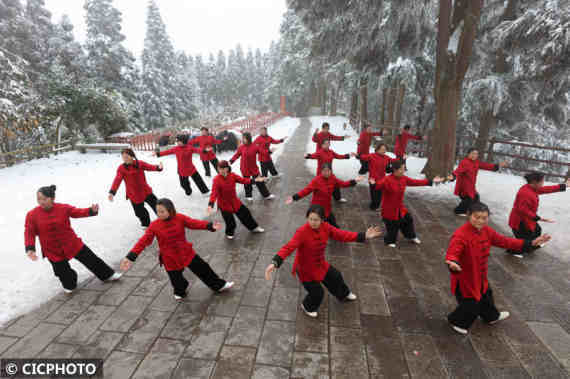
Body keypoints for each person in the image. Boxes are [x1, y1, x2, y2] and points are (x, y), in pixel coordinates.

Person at [445, 202, 551, 334]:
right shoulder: (461, 235)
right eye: (476, 217)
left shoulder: (486, 231)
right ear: (468, 215)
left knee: (486, 296)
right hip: (465, 278)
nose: (480, 221)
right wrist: (453, 262)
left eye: (484, 218)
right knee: (471, 305)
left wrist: (531, 242)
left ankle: (491, 317)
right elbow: (453, 253)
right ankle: (456, 321)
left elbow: (505, 241)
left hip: (480, 276)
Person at [264, 204, 382, 318]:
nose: (313, 222)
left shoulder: (326, 227)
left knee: (336, 276)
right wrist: (275, 262)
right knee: (318, 293)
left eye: (316, 220)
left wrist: (363, 236)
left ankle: (343, 294)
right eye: (310, 219)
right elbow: (288, 247)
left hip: (320, 264)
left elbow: (341, 235)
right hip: (306, 269)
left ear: (322, 220)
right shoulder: (302, 232)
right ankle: (307, 306)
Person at [120, 198, 233, 300]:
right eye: (157, 211)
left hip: (185, 252)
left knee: (203, 268)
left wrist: (209, 226)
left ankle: (219, 285)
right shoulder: (154, 226)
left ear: (170, 210)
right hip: (170, 258)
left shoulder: (179, 218)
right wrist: (130, 257)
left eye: (162, 211)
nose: (159, 214)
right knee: (177, 281)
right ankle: (180, 289)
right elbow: (143, 241)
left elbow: (193, 223)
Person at [25, 185, 122, 294]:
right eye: (39, 199)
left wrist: (91, 211)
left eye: (44, 199)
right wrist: (30, 248)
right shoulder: (32, 215)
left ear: (52, 198)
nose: (41, 202)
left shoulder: (63, 208)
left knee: (91, 259)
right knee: (67, 282)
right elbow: (29, 232)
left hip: (72, 243)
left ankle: (108, 275)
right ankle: (71, 278)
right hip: (52, 250)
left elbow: (77, 212)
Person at [370, 161, 445, 247]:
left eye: (404, 168)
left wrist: (431, 181)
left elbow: (415, 182)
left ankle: (410, 236)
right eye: (401, 169)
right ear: (395, 170)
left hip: (399, 208)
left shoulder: (403, 178)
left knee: (408, 219)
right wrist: (373, 184)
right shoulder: (387, 179)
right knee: (393, 226)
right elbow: (378, 186)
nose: (403, 170)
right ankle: (389, 241)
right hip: (389, 209)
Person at [506, 172, 568, 257]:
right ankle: (514, 251)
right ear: (535, 182)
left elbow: (546, 189)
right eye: (542, 182)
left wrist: (563, 186)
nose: (543, 183)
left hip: (527, 219)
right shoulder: (525, 193)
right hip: (519, 221)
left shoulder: (531, 188)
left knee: (536, 231)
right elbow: (522, 209)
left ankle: (528, 247)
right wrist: (537, 218)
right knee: (524, 239)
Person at [285, 163, 365, 228]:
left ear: (331, 171)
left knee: (332, 222)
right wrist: (294, 197)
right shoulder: (316, 181)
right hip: (317, 207)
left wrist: (354, 181)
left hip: (327, 206)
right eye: (324, 171)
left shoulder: (333, 178)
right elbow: (306, 190)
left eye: (328, 171)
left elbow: (342, 184)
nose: (326, 173)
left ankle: (334, 231)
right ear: (321, 171)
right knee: (319, 223)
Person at [207, 160, 265, 239]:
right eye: (220, 169)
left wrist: (255, 180)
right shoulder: (216, 180)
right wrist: (211, 204)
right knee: (230, 221)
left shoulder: (232, 176)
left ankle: (254, 228)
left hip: (235, 201)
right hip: (224, 204)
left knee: (246, 214)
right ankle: (229, 233)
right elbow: (214, 193)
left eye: (223, 168)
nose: (221, 170)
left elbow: (243, 180)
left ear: (227, 168)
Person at [109, 148, 163, 228]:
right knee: (139, 212)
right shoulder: (121, 168)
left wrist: (158, 167)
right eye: (123, 157)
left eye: (126, 157)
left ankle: (164, 219)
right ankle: (146, 225)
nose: (125, 159)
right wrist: (112, 192)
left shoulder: (139, 163)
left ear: (132, 156)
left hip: (145, 191)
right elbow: (117, 180)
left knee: (157, 206)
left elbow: (150, 167)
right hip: (134, 194)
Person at [451, 148, 508, 216]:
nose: (474, 155)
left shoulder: (476, 162)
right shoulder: (465, 162)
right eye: (472, 153)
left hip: (471, 186)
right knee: (469, 199)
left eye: (476, 154)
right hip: (463, 187)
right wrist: (453, 175)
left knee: (476, 197)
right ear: (468, 154)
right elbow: (458, 171)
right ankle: (458, 211)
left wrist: (498, 166)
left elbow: (486, 166)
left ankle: (476, 211)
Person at [230, 132, 275, 202]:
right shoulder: (241, 147)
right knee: (247, 182)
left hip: (254, 168)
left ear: (248, 138)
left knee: (260, 182)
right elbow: (236, 155)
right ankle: (248, 196)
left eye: (244, 138)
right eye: (243, 138)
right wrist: (231, 161)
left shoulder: (255, 146)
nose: (243, 140)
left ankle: (266, 195)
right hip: (244, 168)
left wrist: (269, 151)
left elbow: (262, 151)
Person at [353, 142, 399, 210]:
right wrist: (357, 155)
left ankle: (374, 205)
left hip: (382, 179)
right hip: (373, 179)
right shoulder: (371, 156)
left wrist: (401, 160)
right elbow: (362, 157)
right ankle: (374, 206)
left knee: (379, 194)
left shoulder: (386, 157)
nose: (384, 151)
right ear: (377, 150)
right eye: (382, 149)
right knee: (374, 193)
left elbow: (392, 162)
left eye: (385, 149)